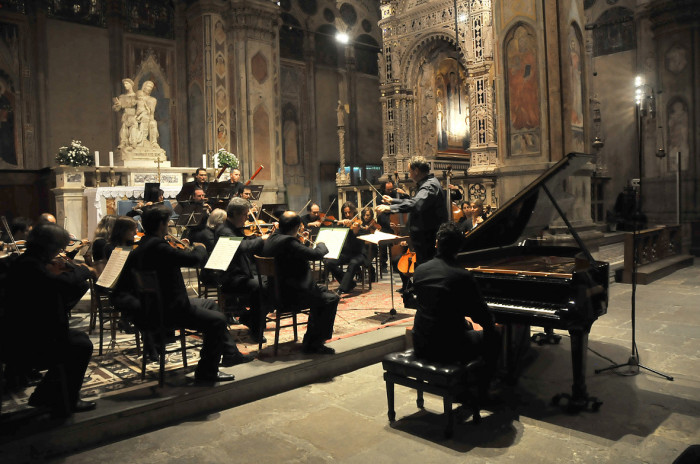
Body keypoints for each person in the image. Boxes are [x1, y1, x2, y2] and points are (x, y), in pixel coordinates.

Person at [114, 205, 252, 382]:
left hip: (157, 307)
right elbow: (194, 259)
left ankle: (231, 353)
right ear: (162, 225)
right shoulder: (159, 248)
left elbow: (120, 290)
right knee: (217, 320)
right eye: (167, 223)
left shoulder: (138, 251)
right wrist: (200, 247)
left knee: (210, 305)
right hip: (171, 310)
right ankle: (206, 372)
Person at [1, 223, 97, 416]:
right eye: (58, 248)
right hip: (22, 341)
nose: (59, 253)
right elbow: (64, 282)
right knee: (80, 346)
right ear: (49, 246)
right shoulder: (32, 266)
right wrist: (85, 269)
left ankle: (45, 395)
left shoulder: (29, 261)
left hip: (28, 332)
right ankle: (65, 402)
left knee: (78, 340)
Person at [412, 222, 500, 400]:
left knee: (466, 326)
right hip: (449, 348)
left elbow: (435, 307)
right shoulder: (462, 276)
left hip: (421, 342)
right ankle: (483, 390)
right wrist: (490, 322)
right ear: (459, 248)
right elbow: (481, 315)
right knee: (494, 335)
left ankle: (462, 382)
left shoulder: (420, 270)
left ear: (437, 244)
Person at [262, 211, 339, 354]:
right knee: (331, 299)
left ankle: (311, 338)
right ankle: (314, 343)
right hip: (291, 297)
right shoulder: (288, 242)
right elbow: (316, 254)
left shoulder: (272, 238)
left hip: (275, 292)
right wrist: (321, 243)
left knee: (322, 292)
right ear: (297, 227)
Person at [376, 156, 447, 268]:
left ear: (416, 171)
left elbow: (415, 204)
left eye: (410, 171)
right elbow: (415, 201)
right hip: (425, 237)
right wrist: (392, 200)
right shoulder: (429, 183)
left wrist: (389, 208)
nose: (409, 175)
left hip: (427, 238)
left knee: (425, 269)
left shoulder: (429, 186)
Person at [215, 197, 266, 342]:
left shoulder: (234, 229)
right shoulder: (224, 230)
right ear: (236, 214)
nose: (247, 218)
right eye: (245, 214)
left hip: (241, 274)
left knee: (270, 283)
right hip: (230, 278)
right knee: (260, 287)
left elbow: (245, 242)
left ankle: (251, 319)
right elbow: (241, 247)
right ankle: (255, 327)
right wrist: (261, 240)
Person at [324, 201, 366, 295]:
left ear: (354, 212)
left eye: (349, 212)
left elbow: (361, 242)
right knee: (327, 261)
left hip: (358, 254)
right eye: (345, 213)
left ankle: (342, 288)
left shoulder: (359, 224)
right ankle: (349, 283)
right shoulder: (343, 224)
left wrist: (355, 232)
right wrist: (339, 225)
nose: (347, 215)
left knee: (354, 262)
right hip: (345, 253)